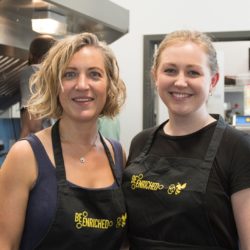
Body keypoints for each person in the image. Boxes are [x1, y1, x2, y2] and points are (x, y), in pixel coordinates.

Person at [122, 30, 250, 249]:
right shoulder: (141, 143)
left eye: (193, 72)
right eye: (170, 70)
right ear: (155, 76)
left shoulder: (237, 147)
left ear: (213, 80)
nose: (180, 82)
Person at [0, 32, 127, 250]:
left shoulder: (117, 155)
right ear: (55, 85)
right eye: (69, 74)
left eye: (95, 74)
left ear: (109, 85)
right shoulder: (26, 155)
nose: (82, 85)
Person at [19, 34, 56, 138]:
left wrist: (18, 151)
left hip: (45, 143)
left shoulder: (33, 71)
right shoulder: (62, 74)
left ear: (31, 55)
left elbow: (32, 125)